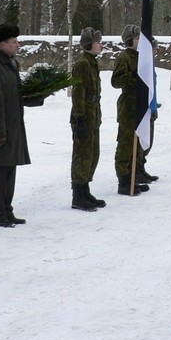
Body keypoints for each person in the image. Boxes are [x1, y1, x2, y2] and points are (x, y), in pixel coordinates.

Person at [0, 24, 30, 227]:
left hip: (12, 124)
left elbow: (15, 94)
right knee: (0, 171)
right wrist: (0, 131)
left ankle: (6, 209)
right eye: (13, 42)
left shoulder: (11, 63)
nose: (17, 45)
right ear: (2, 44)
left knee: (10, 169)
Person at [111, 24, 152, 196]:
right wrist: (133, 76)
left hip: (140, 104)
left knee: (137, 145)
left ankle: (134, 176)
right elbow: (116, 81)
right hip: (128, 105)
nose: (139, 41)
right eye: (136, 38)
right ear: (130, 41)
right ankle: (124, 180)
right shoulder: (124, 58)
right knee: (126, 144)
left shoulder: (142, 57)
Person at [69, 27, 105, 211]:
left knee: (92, 153)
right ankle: (78, 194)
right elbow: (78, 92)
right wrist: (79, 116)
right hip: (84, 114)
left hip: (93, 112)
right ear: (89, 44)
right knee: (82, 154)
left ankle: (85, 189)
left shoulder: (92, 62)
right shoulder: (83, 64)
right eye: (97, 41)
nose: (101, 45)